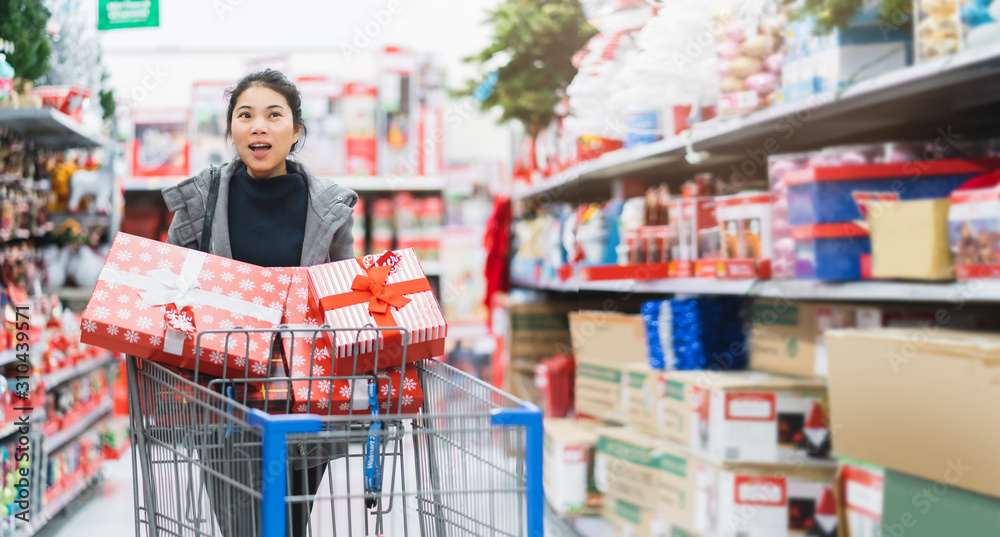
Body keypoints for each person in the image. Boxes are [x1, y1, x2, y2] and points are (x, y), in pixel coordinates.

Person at [161, 68, 357, 537]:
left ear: (296, 129)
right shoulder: (202, 201)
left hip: (303, 400)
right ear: (231, 129)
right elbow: (172, 288)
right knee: (241, 525)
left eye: (274, 115)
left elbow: (345, 297)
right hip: (223, 398)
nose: (258, 126)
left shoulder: (328, 206)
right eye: (245, 115)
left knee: (290, 522)